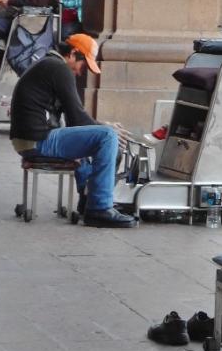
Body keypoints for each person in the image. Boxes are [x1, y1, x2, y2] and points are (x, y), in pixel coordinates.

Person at [9, 35, 138, 228]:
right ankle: (99, 208)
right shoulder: (59, 68)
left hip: (28, 139)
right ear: (72, 53)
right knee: (107, 136)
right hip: (38, 140)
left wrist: (101, 125)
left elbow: (74, 121)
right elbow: (77, 118)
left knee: (100, 136)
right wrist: (106, 127)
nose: (80, 72)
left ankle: (88, 199)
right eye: (82, 65)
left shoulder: (49, 65)